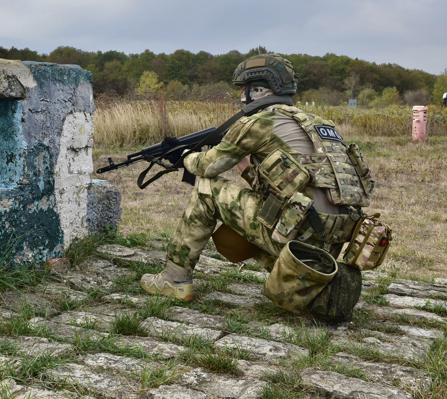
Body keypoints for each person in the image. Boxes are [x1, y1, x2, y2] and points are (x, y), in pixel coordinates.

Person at [140, 54, 373, 321]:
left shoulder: (259, 122)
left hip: (297, 233)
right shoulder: (320, 125)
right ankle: (294, 278)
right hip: (327, 243)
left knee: (206, 188)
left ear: (258, 89)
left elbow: (207, 167)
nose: (241, 96)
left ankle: (174, 280)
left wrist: (184, 156)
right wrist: (249, 170)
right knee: (258, 212)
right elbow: (297, 184)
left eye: (244, 89)